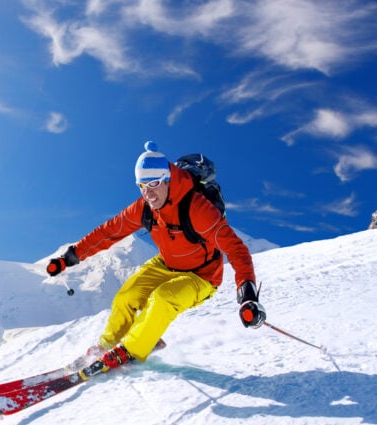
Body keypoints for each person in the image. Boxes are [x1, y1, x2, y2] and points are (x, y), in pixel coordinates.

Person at [46, 141, 266, 371]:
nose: (148, 194)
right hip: (166, 264)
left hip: (202, 275)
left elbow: (236, 249)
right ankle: (106, 346)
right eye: (142, 186)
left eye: (153, 184)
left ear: (168, 179)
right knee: (126, 297)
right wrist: (68, 258)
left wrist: (248, 296)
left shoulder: (197, 208)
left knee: (163, 298)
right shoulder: (144, 208)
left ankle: (130, 351)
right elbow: (108, 232)